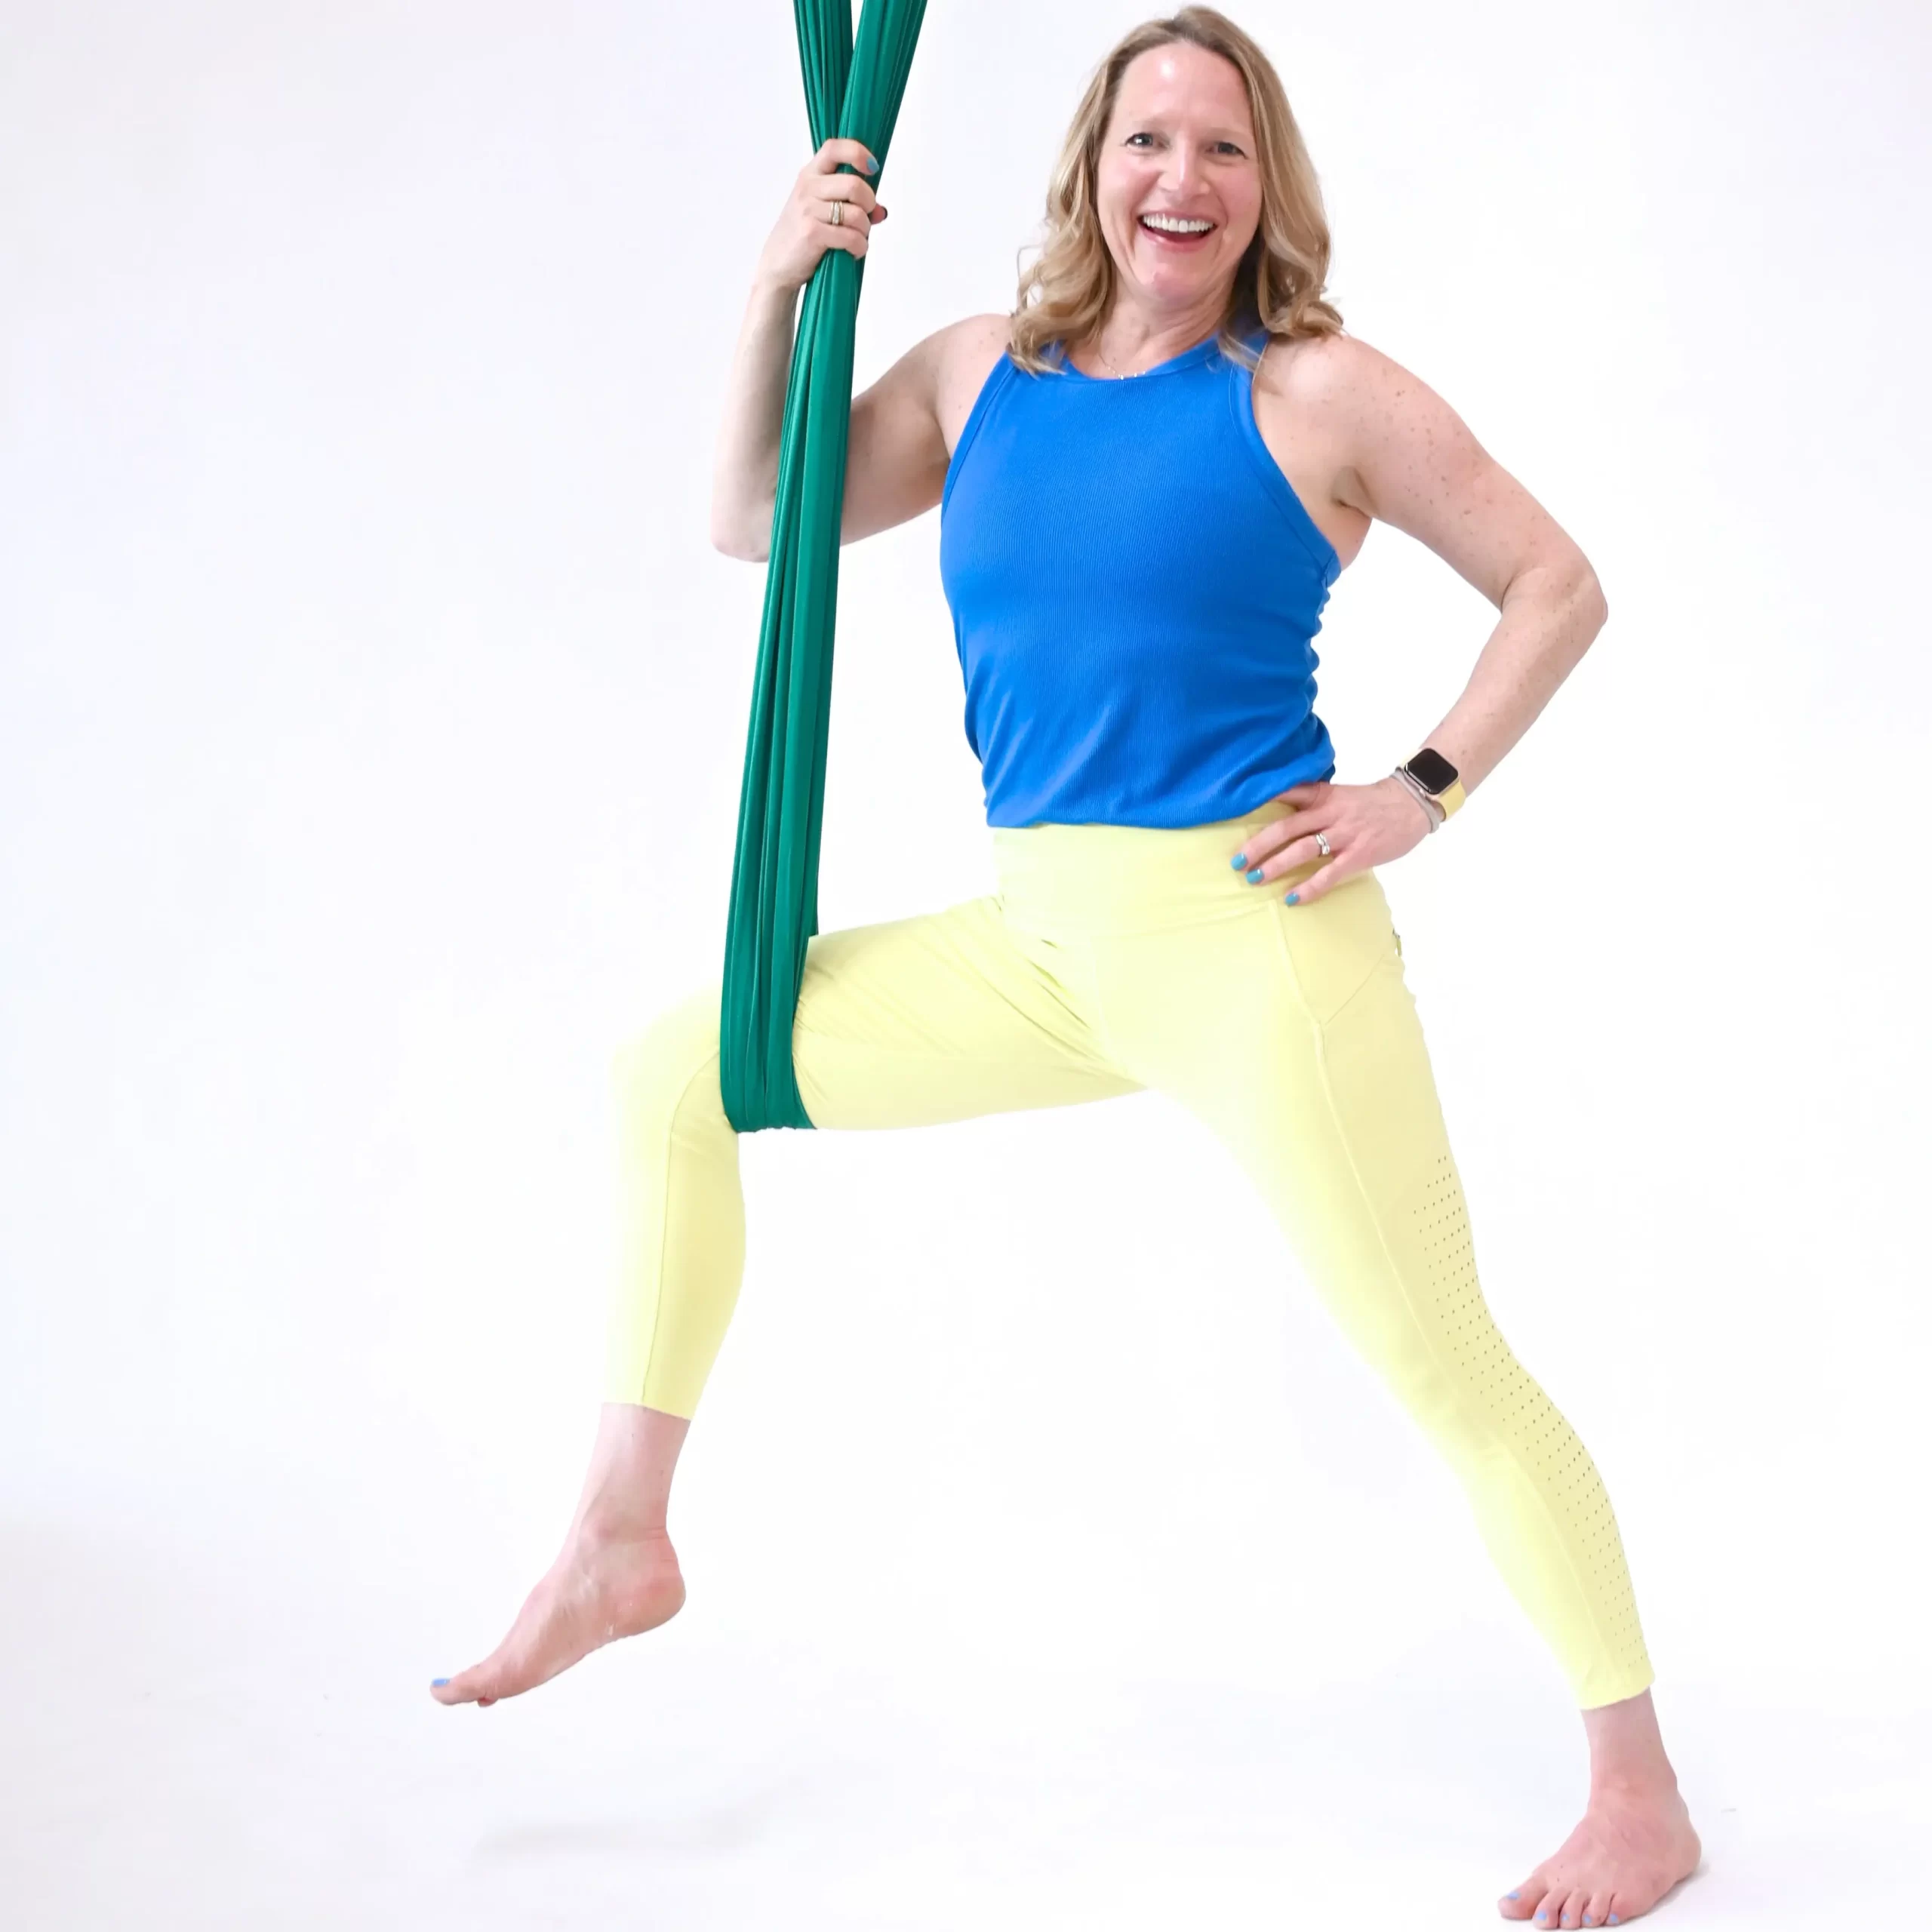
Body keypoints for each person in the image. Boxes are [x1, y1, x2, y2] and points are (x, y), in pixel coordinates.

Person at [430, 8, 1703, 1925]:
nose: (1175, 180)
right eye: (1143, 142)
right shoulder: (975, 375)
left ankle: (1639, 1791)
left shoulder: (1315, 391)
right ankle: (621, 1531)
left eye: (1218, 147)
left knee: (1442, 1365)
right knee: (670, 1072)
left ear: (1264, 182)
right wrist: (779, 282)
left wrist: (1416, 790)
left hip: (1251, 946)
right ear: (1086, 169)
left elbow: (1557, 581)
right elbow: (749, 514)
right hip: (1034, 942)